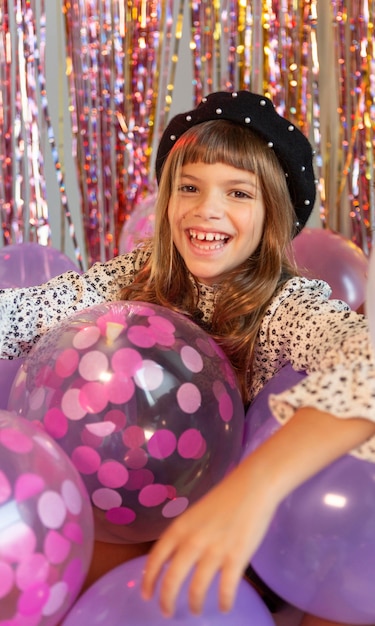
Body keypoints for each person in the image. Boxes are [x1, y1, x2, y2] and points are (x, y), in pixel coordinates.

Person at [1, 90, 374, 626]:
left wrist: (251, 495)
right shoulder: (132, 280)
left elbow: (364, 363)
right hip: (133, 513)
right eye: (189, 187)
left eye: (238, 193)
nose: (207, 209)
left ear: (273, 213)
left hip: (246, 539)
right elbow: (20, 315)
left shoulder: (288, 306)